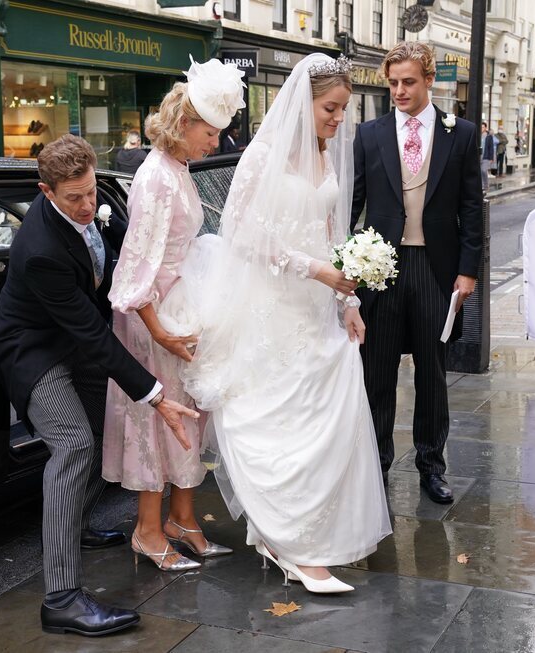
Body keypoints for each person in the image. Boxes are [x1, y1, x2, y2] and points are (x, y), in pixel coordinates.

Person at [183, 53, 391, 594]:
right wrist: (314, 270)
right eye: (331, 108)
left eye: (344, 109)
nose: (338, 119)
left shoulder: (324, 158)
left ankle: (301, 537)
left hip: (317, 306)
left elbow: (330, 231)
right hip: (273, 308)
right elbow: (240, 233)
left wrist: (349, 299)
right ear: (305, 101)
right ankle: (288, 541)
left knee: (325, 418)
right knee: (276, 422)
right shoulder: (263, 155)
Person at [0, 134, 198, 637]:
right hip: (32, 350)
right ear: (45, 192)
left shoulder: (93, 208)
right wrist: (156, 394)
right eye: (73, 199)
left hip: (74, 342)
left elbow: (129, 262)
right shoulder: (40, 250)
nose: (88, 207)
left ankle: (73, 525)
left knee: (106, 435)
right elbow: (91, 330)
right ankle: (61, 599)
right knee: (75, 445)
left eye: (91, 194)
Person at [103, 57, 245, 571]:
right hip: (152, 322)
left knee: (189, 414)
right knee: (157, 419)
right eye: (210, 133)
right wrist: (160, 335)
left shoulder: (177, 169)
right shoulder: (157, 178)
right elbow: (136, 270)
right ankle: (145, 528)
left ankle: (183, 519)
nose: (216, 144)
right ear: (185, 124)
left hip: (179, 312)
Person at [351, 40, 482, 504]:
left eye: (408, 81)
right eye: (393, 83)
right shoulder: (369, 134)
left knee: (432, 373)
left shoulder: (460, 133)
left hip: (435, 267)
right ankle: (376, 466)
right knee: (378, 372)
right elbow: (355, 205)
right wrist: (349, 266)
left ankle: (432, 466)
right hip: (381, 270)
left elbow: (471, 207)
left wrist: (468, 272)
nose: (399, 91)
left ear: (429, 80)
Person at [480, 122, 495, 192]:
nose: (481, 128)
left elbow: (491, 147)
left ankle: (485, 185)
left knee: (483, 170)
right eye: (481, 127)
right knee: (479, 171)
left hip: (485, 156)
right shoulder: (478, 135)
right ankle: (481, 185)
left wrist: (491, 158)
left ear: (485, 128)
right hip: (479, 157)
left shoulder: (489, 136)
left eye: (483, 127)